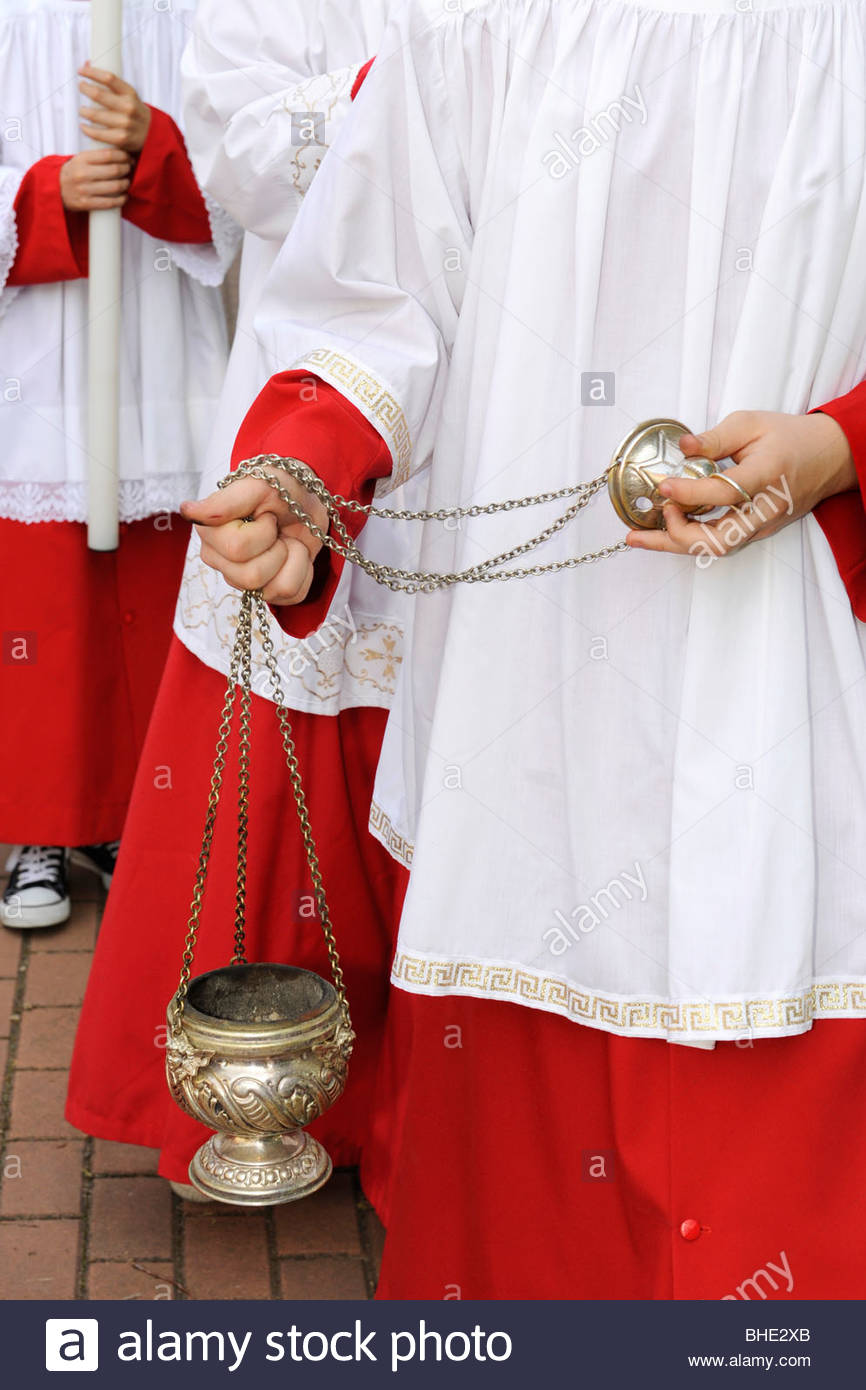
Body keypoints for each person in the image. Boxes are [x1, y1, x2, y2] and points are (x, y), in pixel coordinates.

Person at [182, 0, 866, 1297]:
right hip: (530, 695)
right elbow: (375, 294)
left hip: (808, 660)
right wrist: (304, 470)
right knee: (539, 1254)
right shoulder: (475, 18)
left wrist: (840, 445)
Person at [65, 0, 408, 1198]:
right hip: (311, 383)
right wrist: (417, 92)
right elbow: (238, 164)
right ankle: (306, 1091)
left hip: (489, 406)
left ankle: (439, 1109)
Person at [0, 0, 238, 929]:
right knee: (42, 611)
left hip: (158, 352)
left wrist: (155, 150)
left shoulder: (188, 13)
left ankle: (138, 815)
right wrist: (42, 198)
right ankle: (38, 828)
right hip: (31, 367)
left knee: (151, 591)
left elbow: (239, 173)